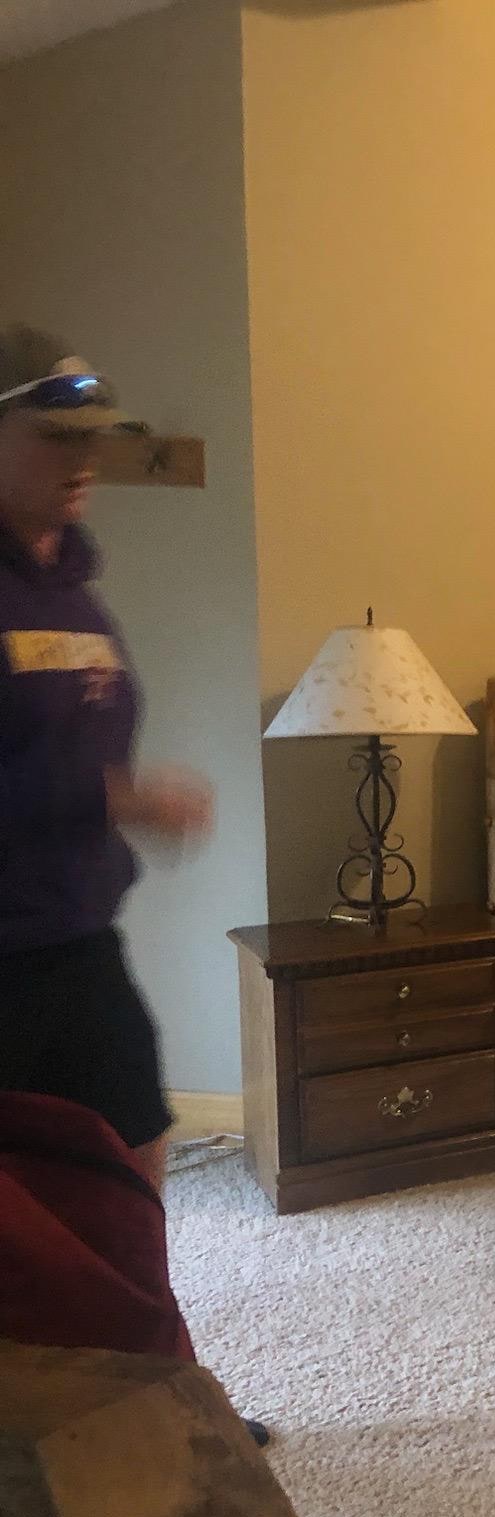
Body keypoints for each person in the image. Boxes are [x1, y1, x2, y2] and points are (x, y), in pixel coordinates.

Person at [0, 325, 213, 1192]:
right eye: (56, 437)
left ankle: (131, 1329)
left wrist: (118, 805)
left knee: (132, 1157)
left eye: (91, 436)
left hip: (79, 934)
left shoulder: (73, 589)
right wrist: (117, 797)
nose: (83, 456)